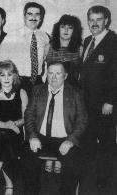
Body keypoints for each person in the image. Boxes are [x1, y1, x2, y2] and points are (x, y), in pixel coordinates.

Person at [22, 62, 87, 195]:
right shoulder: (37, 90)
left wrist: (71, 140)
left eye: (58, 73)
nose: (54, 77)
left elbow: (82, 120)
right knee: (27, 157)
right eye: (50, 73)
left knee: (73, 163)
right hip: (41, 137)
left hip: (65, 138)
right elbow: (29, 115)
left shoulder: (75, 93)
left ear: (65, 76)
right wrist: (33, 136)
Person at [80, 5, 117, 190]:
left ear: (107, 21)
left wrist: (110, 100)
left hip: (105, 105)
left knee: (106, 144)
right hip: (87, 104)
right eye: (91, 20)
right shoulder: (88, 40)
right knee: (88, 142)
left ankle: (105, 184)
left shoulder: (113, 41)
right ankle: (89, 182)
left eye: (99, 19)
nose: (94, 23)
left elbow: (115, 74)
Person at [0, 60, 28, 195]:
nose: (7, 78)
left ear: (15, 76)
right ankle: (9, 184)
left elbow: (26, 118)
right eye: (2, 75)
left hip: (16, 134)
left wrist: (13, 125)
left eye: (10, 74)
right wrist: (7, 125)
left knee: (4, 138)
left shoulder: (22, 93)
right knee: (2, 136)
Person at [0, 2, 49, 96]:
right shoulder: (12, 36)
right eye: (30, 14)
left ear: (41, 18)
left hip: (37, 82)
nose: (33, 17)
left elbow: (46, 60)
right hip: (17, 82)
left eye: (37, 14)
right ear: (24, 15)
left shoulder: (44, 36)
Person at [46, 14, 83, 87]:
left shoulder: (80, 49)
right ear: (58, 28)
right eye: (63, 27)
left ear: (75, 30)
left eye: (70, 28)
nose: (66, 30)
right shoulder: (48, 47)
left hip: (72, 91)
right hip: (50, 89)